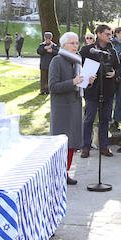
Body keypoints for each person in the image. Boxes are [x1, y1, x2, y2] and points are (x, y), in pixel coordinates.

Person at [47, 31, 86, 184]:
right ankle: (56, 174)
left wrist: (86, 81)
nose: (76, 46)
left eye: (77, 43)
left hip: (75, 105)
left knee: (72, 144)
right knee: (61, 144)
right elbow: (53, 87)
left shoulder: (77, 61)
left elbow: (79, 84)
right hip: (62, 108)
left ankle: (65, 173)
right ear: (64, 45)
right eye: (72, 43)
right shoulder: (57, 61)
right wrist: (73, 82)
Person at [79, 24, 119, 158]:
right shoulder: (86, 50)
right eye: (107, 34)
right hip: (92, 90)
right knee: (89, 119)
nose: (110, 37)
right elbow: (78, 68)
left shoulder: (112, 51)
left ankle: (104, 146)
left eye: (111, 34)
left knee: (105, 119)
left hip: (107, 90)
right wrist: (86, 77)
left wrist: (114, 74)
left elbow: (119, 68)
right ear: (99, 34)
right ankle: (85, 147)